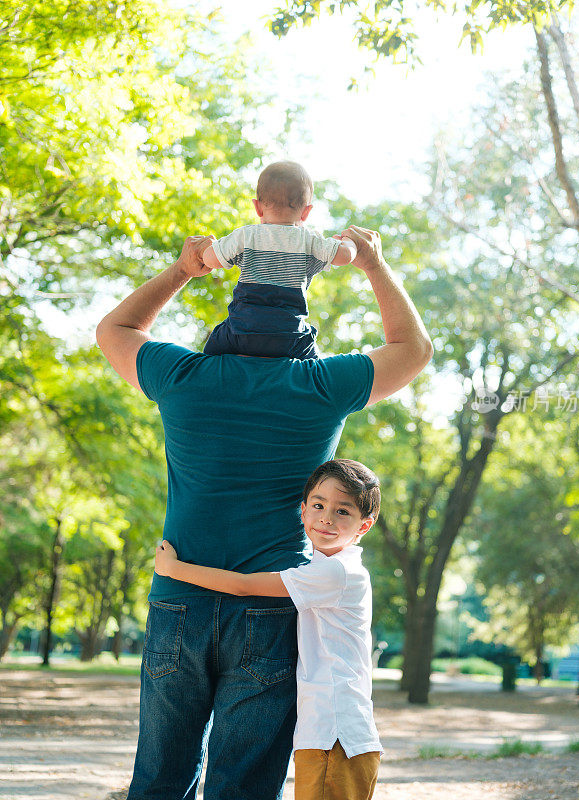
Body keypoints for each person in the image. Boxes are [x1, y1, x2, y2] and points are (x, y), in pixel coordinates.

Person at [95, 224, 432, 799]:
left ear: (227, 324)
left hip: (180, 600)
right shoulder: (323, 384)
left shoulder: (183, 376)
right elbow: (414, 350)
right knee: (246, 785)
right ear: (304, 330)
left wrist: (183, 269)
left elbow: (114, 329)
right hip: (272, 611)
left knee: (159, 778)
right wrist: (373, 263)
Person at [154, 458, 383, 800]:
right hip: (327, 730)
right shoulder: (323, 568)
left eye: (343, 512)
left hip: (336, 732)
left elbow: (244, 586)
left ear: (364, 525)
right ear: (302, 510)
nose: (327, 518)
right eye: (319, 506)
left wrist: (173, 569)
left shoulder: (335, 573)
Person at [201, 160, 357, 360]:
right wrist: (349, 242)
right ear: (306, 212)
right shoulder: (309, 240)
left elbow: (210, 259)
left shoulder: (246, 236)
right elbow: (345, 256)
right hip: (290, 338)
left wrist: (208, 248)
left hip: (241, 331)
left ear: (257, 207)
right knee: (315, 367)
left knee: (208, 355)